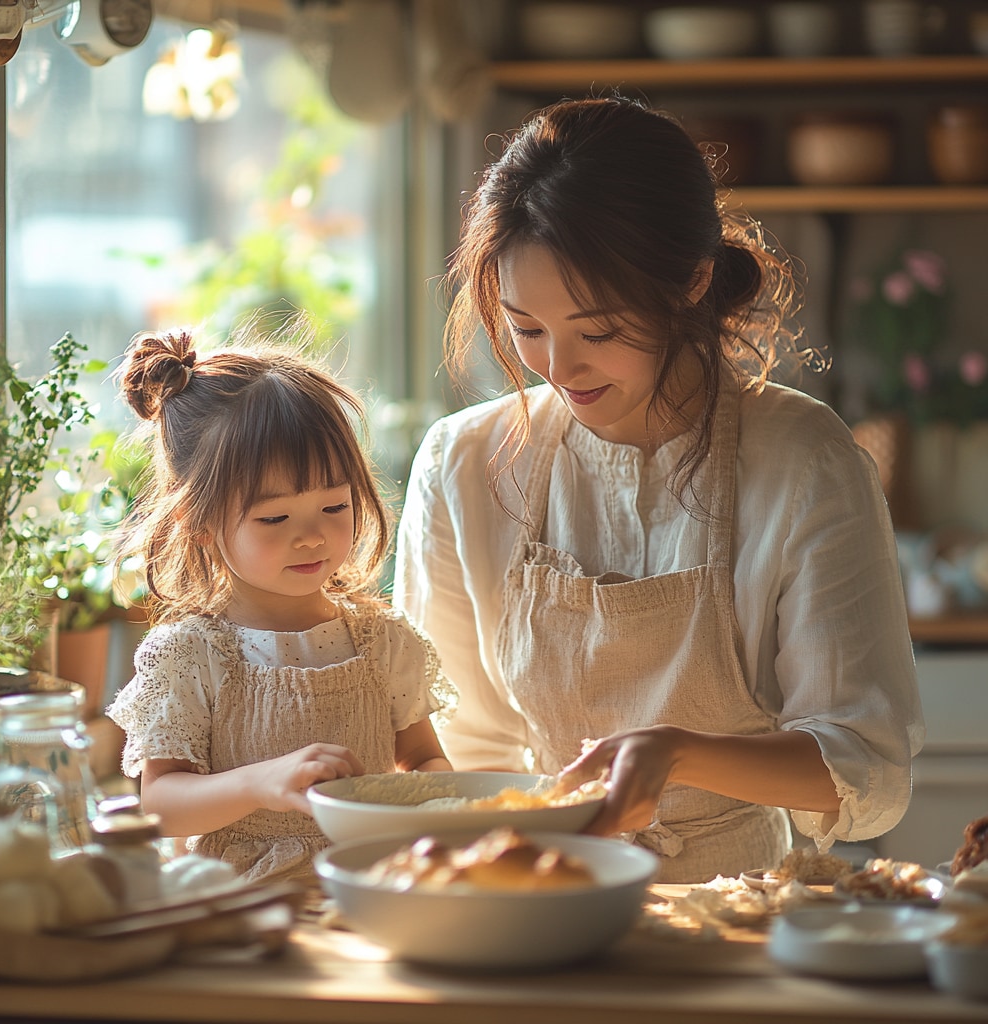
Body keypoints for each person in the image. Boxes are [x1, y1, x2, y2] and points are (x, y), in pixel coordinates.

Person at [393, 95, 924, 883]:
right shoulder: (464, 463)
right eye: (526, 327)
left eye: (597, 332)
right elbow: (454, 749)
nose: (558, 369)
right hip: (531, 895)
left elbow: (866, 769)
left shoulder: (802, 460)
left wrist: (679, 754)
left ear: (691, 282)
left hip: (735, 915)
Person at [107, 318, 452, 883]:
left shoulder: (381, 640)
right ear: (200, 524)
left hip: (372, 885)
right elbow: (160, 802)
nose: (312, 536)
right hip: (240, 900)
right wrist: (261, 783)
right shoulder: (190, 655)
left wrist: (441, 803)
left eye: (335, 507)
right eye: (274, 518)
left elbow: (423, 760)